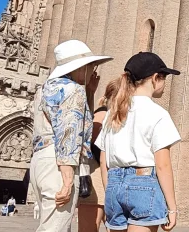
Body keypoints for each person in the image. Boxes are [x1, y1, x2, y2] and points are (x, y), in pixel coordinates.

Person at [30, 39, 112, 232]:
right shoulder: (73, 90)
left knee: (49, 225)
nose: (93, 70)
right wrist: (67, 182)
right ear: (79, 67)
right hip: (59, 165)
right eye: (91, 65)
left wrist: (90, 93)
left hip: (41, 162)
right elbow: (68, 136)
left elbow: (81, 124)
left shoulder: (44, 89)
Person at [97, 52, 181, 232]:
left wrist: (109, 193)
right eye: (164, 77)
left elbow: (104, 161)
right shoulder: (158, 114)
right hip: (143, 184)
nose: (165, 82)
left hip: (113, 183)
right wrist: (172, 207)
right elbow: (163, 165)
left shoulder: (113, 113)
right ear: (155, 78)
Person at [78, 78, 120, 232]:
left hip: (103, 178)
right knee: (89, 228)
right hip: (96, 177)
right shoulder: (102, 115)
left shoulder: (105, 114)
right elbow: (94, 145)